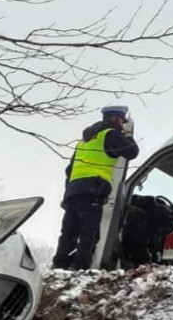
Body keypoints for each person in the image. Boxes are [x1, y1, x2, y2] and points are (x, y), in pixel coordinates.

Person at [52, 105, 139, 270]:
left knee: (69, 231)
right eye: (122, 121)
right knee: (89, 231)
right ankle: (80, 266)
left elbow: (69, 170)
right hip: (93, 189)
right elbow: (132, 151)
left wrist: (69, 191)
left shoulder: (85, 140)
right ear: (116, 119)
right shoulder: (110, 134)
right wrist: (128, 134)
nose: (123, 124)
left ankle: (59, 265)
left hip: (73, 190)